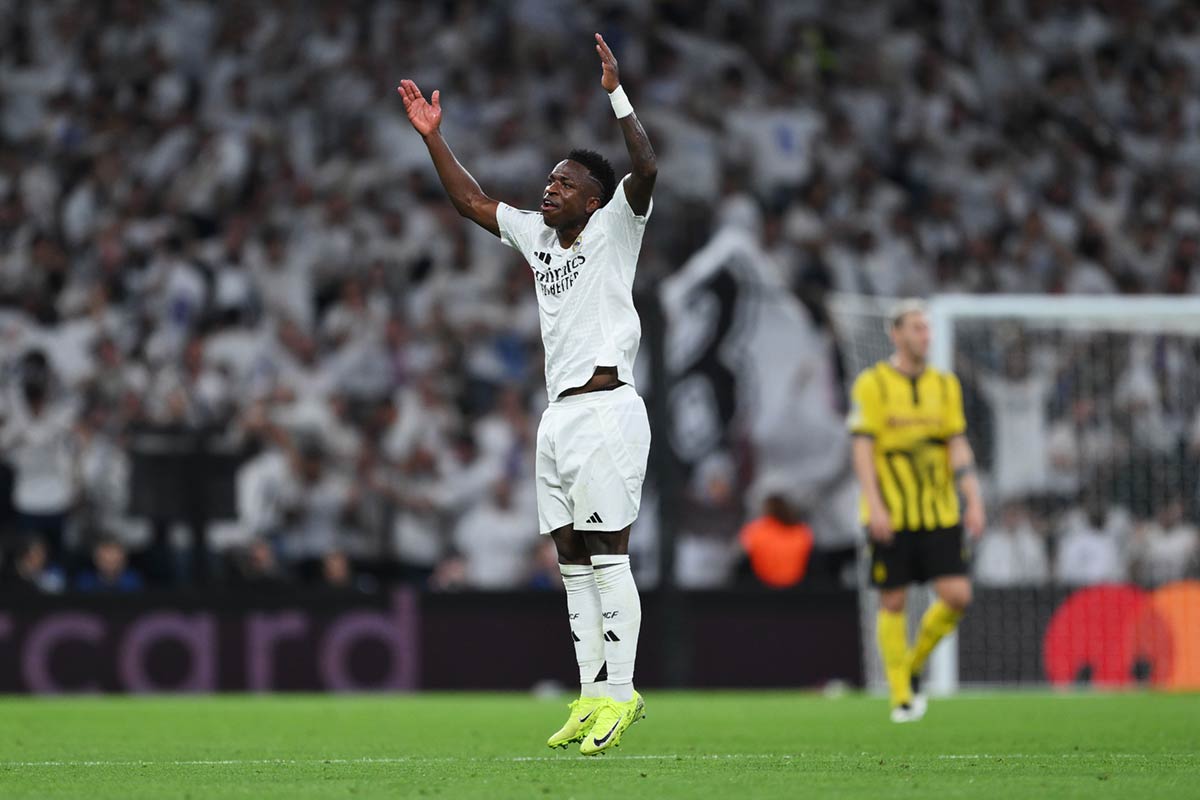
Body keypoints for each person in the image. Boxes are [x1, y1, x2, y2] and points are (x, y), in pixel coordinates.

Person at [398, 32, 655, 756]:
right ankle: (590, 696)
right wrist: (433, 138)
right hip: (560, 417)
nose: (550, 190)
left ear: (594, 200)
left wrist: (616, 94)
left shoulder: (617, 226)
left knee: (608, 555)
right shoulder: (539, 238)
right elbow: (470, 201)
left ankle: (623, 692)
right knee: (571, 560)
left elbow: (646, 166)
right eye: (548, 180)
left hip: (607, 408)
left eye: (564, 184)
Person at [848, 300, 986, 723]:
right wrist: (875, 506)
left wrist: (973, 497)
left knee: (957, 596)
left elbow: (956, 443)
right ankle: (901, 696)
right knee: (893, 599)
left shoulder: (945, 385)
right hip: (892, 512)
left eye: (927, 328)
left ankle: (911, 665)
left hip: (939, 511)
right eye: (916, 328)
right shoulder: (872, 384)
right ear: (896, 334)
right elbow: (863, 449)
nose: (925, 335)